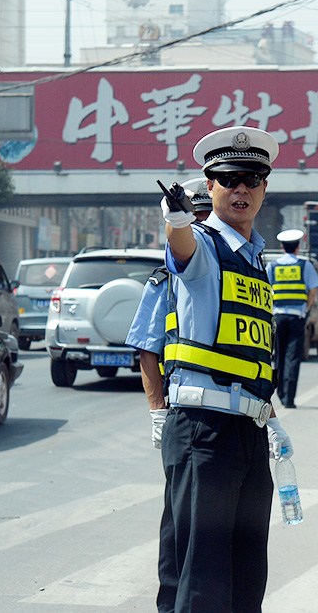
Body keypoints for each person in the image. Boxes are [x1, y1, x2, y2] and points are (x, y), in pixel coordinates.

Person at [156, 126, 294, 612]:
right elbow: (181, 247)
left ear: (265, 187)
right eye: (229, 178)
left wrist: (270, 418)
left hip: (248, 432)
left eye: (252, 178)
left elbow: (251, 353)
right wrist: (175, 222)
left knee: (246, 571)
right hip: (204, 431)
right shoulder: (202, 245)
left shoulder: (256, 259)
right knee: (201, 574)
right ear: (209, 186)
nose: (241, 189)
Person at [127, 178, 211, 449]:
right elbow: (148, 348)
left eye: (209, 220)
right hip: (184, 409)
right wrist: (158, 413)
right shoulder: (166, 282)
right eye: (194, 220)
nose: (201, 229)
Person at [266, 228, 318, 408]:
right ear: (298, 247)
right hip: (297, 317)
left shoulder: (273, 266)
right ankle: (289, 398)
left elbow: (265, 289)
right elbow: (313, 291)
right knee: (293, 357)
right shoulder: (305, 265)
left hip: (278, 316)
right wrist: (306, 308)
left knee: (278, 357)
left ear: (282, 247)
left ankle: (280, 393)